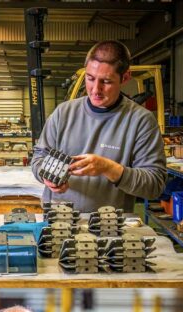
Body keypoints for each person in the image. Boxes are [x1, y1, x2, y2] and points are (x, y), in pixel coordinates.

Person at [31, 40, 165, 213]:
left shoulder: (141, 121)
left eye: (106, 81)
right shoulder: (63, 113)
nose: (95, 89)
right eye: (90, 78)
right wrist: (45, 175)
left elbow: (154, 185)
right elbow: (39, 158)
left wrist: (109, 168)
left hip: (109, 226)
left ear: (125, 77)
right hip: (58, 222)